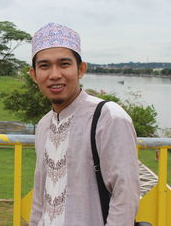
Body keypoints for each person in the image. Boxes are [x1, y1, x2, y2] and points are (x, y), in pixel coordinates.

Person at [28, 23, 140, 226]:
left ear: (81, 69)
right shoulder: (44, 125)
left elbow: (126, 196)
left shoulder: (108, 117)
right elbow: (39, 198)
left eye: (64, 64)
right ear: (34, 75)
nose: (54, 75)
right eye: (44, 66)